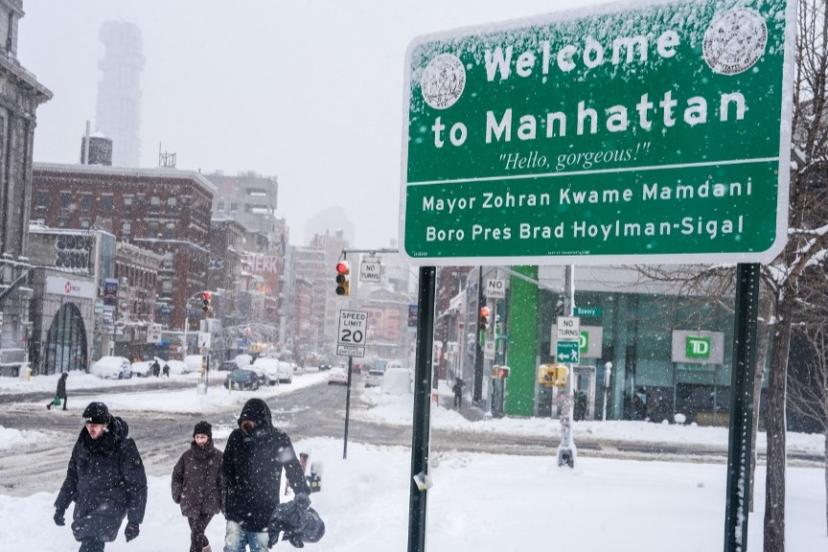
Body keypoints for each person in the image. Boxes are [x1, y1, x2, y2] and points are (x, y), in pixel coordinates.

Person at [53, 402, 147, 552]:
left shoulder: (123, 446)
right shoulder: (82, 444)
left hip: (111, 504)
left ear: (105, 425)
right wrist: (61, 506)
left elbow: (137, 484)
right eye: (88, 424)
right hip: (86, 503)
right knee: (89, 541)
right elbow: (72, 477)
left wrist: (134, 521)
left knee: (92, 543)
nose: (91, 428)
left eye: (96, 425)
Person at [222, 398, 310, 552]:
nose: (246, 428)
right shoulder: (236, 437)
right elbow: (225, 470)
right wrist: (228, 496)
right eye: (244, 423)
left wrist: (301, 490)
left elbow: (293, 467)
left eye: (250, 423)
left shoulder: (278, 440)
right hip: (236, 513)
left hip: (263, 514)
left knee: (259, 549)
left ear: (262, 422)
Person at [172, 421, 223, 552]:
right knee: (197, 533)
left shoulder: (218, 457)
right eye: (197, 437)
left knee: (196, 533)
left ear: (209, 438)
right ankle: (206, 548)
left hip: (209, 503)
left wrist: (223, 502)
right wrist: (178, 494)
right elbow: (177, 475)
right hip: (190, 501)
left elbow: (224, 482)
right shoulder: (187, 456)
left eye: (203, 437)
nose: (200, 440)